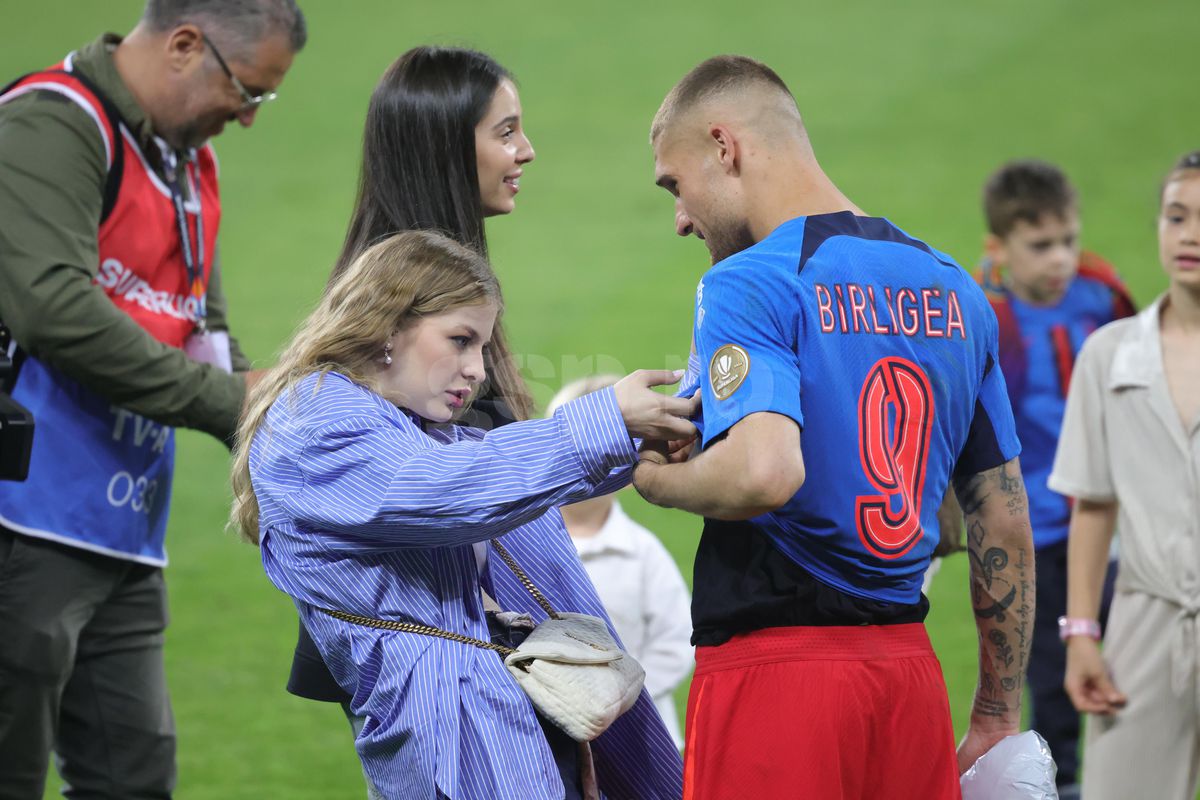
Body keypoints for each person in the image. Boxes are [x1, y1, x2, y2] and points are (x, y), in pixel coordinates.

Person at [633, 55, 1036, 798]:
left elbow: (764, 472)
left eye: (675, 185)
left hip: (778, 684)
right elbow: (1001, 519)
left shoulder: (749, 280)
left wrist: (654, 478)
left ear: (725, 147)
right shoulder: (956, 289)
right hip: (909, 683)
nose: (682, 217)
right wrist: (994, 710)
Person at [231, 230, 689, 799]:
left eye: (481, 346)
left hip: (498, 726)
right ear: (388, 326)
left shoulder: (412, 427)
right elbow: (456, 492)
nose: (476, 369)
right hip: (451, 746)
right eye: (460, 339)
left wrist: (653, 438)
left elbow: (505, 474)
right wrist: (608, 422)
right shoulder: (314, 425)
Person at [0, 1, 305, 796]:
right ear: (183, 45)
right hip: (18, 520)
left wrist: (280, 416)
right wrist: (228, 402)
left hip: (120, 527)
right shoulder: (52, 125)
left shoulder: (185, 163)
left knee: (134, 779)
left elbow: (202, 326)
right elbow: (53, 308)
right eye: (247, 93)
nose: (244, 121)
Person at [284, 44, 538, 729]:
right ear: (447, 147)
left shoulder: (413, 276)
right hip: (427, 649)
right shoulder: (407, 295)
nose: (528, 151)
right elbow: (437, 484)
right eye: (506, 132)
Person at [976, 159, 1134, 797]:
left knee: (1125, 665)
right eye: (1040, 246)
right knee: (1048, 680)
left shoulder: (1102, 297)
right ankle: (1061, 785)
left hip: (1109, 524)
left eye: (1068, 240)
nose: (1060, 259)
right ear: (1000, 248)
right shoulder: (985, 317)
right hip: (1031, 537)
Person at [1053, 150, 1200, 800]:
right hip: (1143, 627)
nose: (1190, 234)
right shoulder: (1109, 354)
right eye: (1176, 216)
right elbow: (1094, 504)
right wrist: (1082, 632)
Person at [550, 375, 694, 750]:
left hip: (640, 733)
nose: (586, 472)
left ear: (632, 472)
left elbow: (678, 637)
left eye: (605, 458)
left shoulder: (641, 552)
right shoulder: (532, 548)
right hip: (553, 731)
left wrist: (627, 696)